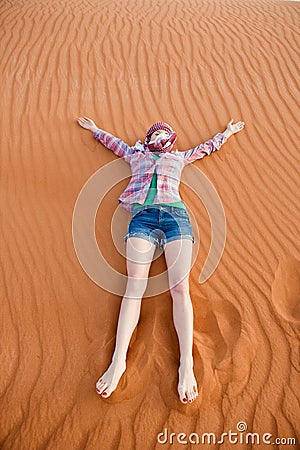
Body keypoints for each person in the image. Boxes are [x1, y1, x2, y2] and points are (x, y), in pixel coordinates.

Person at [77, 116, 245, 404]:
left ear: (171, 139)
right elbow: (115, 144)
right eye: (155, 134)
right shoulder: (136, 155)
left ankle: (186, 366)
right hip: (141, 219)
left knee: (180, 291)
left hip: (176, 220)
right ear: (148, 139)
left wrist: (226, 133)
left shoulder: (178, 158)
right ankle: (118, 362)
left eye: (165, 133)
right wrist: (95, 131)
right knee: (134, 288)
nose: (160, 136)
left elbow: (204, 149)